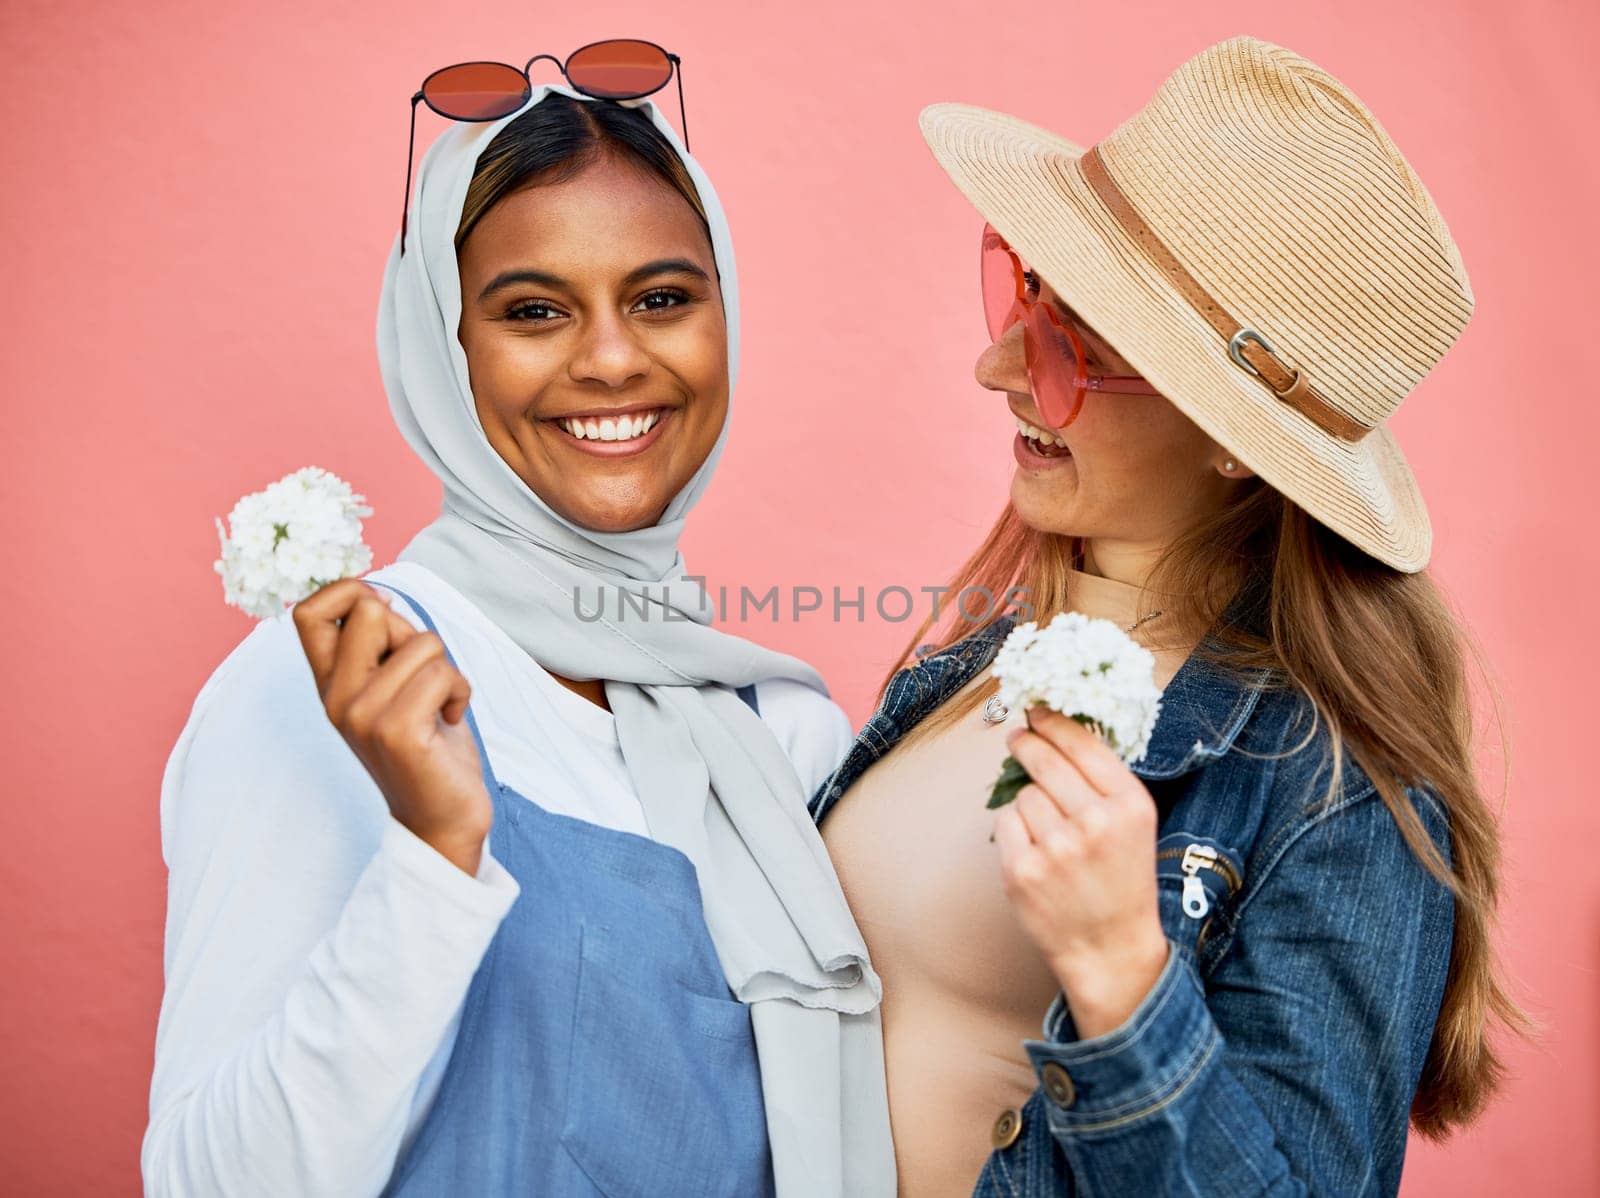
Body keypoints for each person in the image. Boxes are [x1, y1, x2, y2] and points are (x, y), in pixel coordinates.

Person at [143, 77, 894, 1197]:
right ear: (441, 345)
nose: (609, 361)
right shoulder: (346, 681)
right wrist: (434, 853)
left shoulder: (780, 736)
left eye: (661, 298)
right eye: (533, 310)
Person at [814, 36, 1520, 1197]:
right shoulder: (976, 668)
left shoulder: (1335, 795)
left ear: (1232, 439)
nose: (998, 364)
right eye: (1023, 292)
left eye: (1070, 344)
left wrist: (1117, 967)